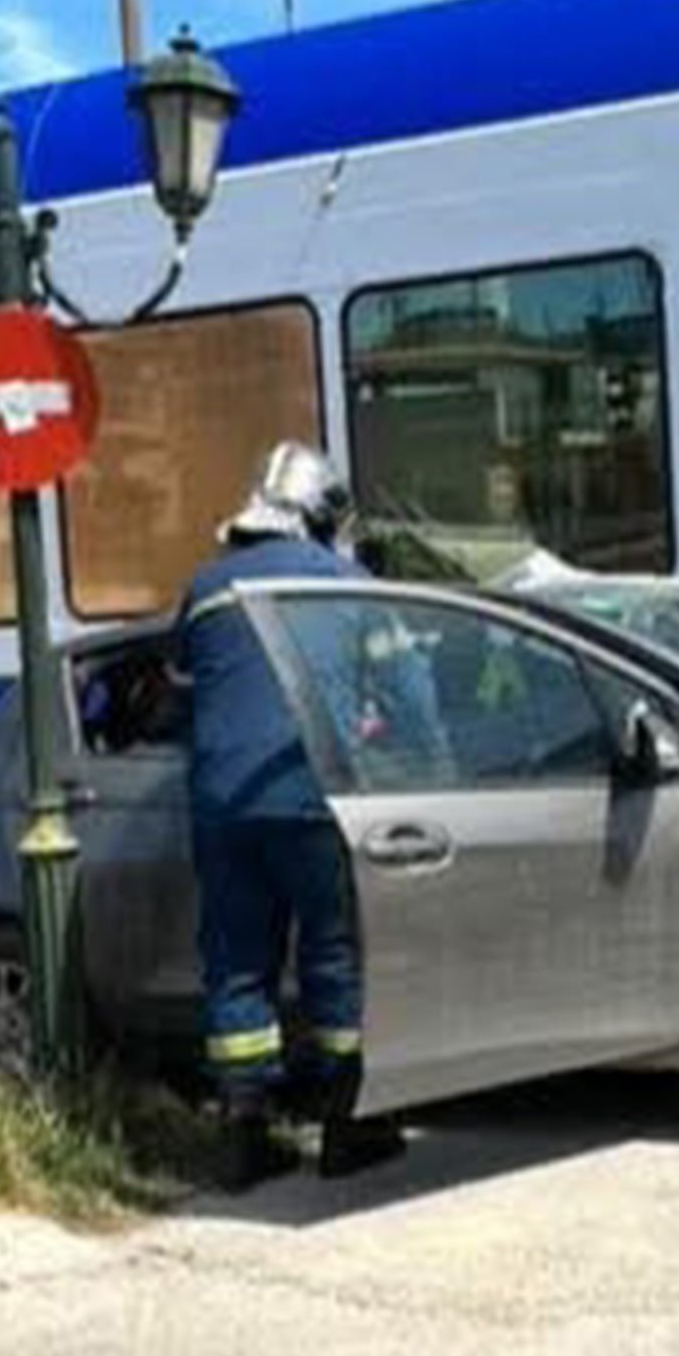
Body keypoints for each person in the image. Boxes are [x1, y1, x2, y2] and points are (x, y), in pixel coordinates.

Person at [176, 441, 406, 1188]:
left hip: (222, 806)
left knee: (238, 962)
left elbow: (181, 691)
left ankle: (245, 1134)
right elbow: (411, 701)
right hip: (316, 799)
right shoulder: (349, 585)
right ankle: (349, 1128)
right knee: (335, 958)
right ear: (316, 515)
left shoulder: (205, 590)